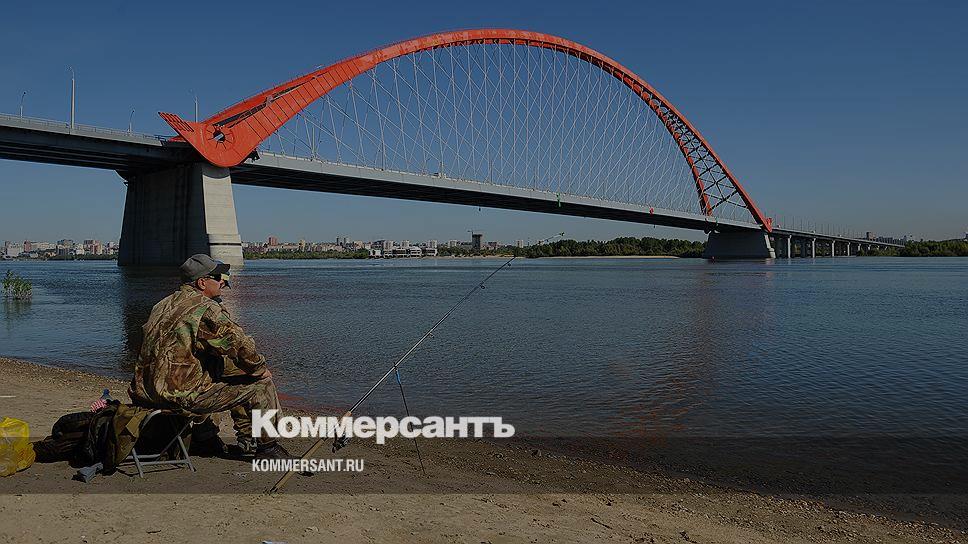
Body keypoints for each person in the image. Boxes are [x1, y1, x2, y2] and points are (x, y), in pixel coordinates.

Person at [128, 254, 291, 460]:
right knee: (260, 384)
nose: (222, 281)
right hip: (178, 398)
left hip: (144, 393)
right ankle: (268, 448)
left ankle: (205, 438)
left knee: (220, 369)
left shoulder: (162, 305)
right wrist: (259, 369)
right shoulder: (205, 308)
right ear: (202, 282)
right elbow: (239, 345)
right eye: (217, 277)